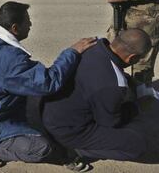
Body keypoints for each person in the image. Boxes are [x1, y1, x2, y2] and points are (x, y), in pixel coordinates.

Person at [0, 1, 96, 164]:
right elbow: (49, 83)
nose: (30, 24)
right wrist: (72, 52)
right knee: (42, 148)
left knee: (33, 100)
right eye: (27, 21)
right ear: (15, 28)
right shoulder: (10, 60)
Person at [43, 29, 151, 166]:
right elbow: (109, 123)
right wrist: (134, 107)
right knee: (137, 144)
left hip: (49, 110)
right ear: (132, 58)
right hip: (65, 129)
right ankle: (74, 151)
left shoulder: (92, 45)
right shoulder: (113, 86)